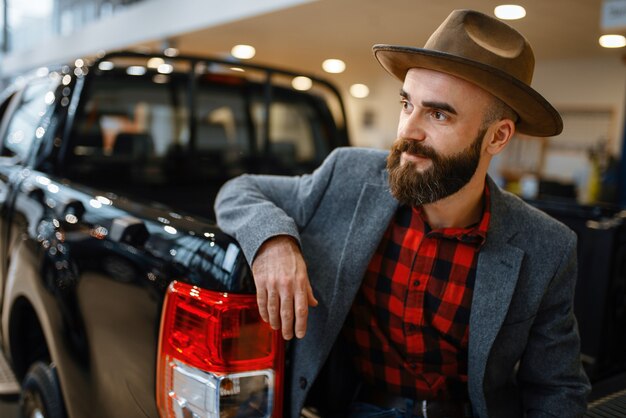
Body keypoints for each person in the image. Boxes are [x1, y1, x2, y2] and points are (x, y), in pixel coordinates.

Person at [215, 9, 590, 418]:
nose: (408, 131)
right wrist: (274, 242)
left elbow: (558, 388)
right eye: (407, 104)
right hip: (352, 404)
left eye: (438, 114)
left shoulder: (546, 246)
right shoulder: (349, 175)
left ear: (497, 136)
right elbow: (239, 190)